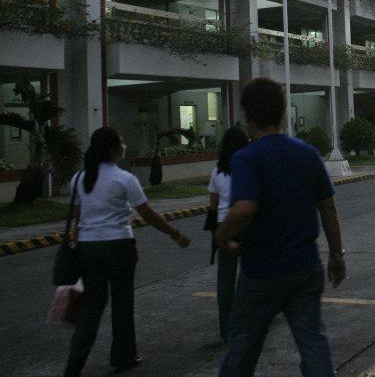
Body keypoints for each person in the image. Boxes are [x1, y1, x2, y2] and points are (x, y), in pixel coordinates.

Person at [216, 78, 346, 377]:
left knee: (242, 350)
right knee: (313, 343)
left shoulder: (246, 158)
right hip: (305, 267)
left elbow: (244, 208)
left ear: (248, 116)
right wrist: (336, 255)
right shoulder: (308, 153)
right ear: (283, 112)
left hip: (262, 270)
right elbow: (328, 208)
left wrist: (222, 235)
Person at [64, 126, 191, 377]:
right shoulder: (124, 179)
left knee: (91, 307)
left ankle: (74, 364)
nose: (124, 146)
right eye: (121, 142)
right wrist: (175, 233)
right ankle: (123, 356)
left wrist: (78, 248)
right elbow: (147, 214)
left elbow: (78, 219)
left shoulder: (79, 179)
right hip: (119, 245)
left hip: (88, 247)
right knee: (122, 303)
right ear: (113, 150)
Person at [207, 125, 250, 341]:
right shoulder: (248, 167)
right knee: (252, 274)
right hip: (246, 222)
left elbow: (213, 206)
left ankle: (226, 328)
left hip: (224, 225)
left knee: (225, 279)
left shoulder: (217, 171)